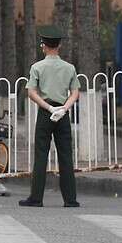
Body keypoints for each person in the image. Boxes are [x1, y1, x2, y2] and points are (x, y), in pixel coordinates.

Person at [19, 25, 80, 208]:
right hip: (63, 114)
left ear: (43, 45)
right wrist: (63, 109)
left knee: (41, 154)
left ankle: (36, 198)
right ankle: (70, 199)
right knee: (66, 155)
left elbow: (31, 92)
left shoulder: (37, 67)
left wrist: (49, 108)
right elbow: (75, 92)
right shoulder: (69, 68)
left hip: (46, 113)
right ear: (59, 45)